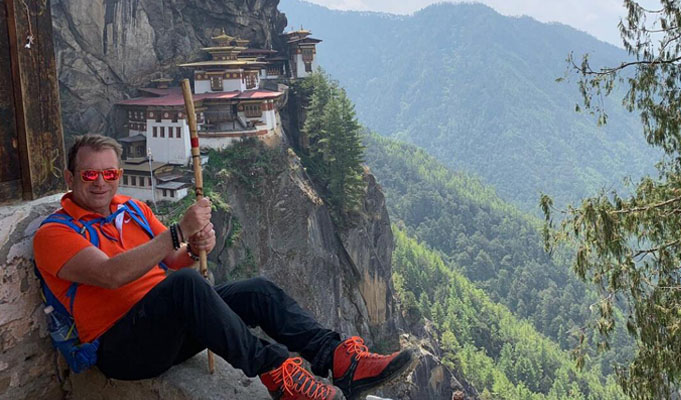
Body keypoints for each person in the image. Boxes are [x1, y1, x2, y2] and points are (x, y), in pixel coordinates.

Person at [33, 134, 415, 400]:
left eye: (110, 174)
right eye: (90, 174)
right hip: (123, 348)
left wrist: (198, 245)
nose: (101, 183)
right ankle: (279, 375)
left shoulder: (132, 209)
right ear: (70, 179)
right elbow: (110, 274)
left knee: (257, 291)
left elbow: (172, 260)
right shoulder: (54, 233)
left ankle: (339, 360)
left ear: (118, 175)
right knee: (184, 285)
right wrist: (179, 230)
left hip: (167, 327)